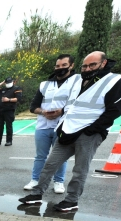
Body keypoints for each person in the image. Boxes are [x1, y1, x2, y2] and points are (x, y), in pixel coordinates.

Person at [19, 51, 121, 212]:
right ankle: (36, 195)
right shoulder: (78, 82)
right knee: (50, 164)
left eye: (92, 65)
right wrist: (62, 126)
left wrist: (92, 130)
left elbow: (114, 111)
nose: (87, 68)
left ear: (103, 63)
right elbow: (71, 106)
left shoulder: (114, 81)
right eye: (85, 65)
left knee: (79, 169)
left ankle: (71, 200)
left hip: (89, 133)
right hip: (68, 130)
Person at [24, 54, 82, 194]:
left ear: (71, 66)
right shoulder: (45, 84)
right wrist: (43, 112)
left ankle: (58, 182)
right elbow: (33, 107)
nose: (60, 68)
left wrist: (61, 111)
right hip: (43, 126)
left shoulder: (77, 81)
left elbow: (78, 103)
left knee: (60, 157)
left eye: (63, 65)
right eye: (57, 66)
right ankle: (35, 180)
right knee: (40, 156)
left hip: (62, 126)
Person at [0, 77, 22, 146]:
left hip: (9, 110)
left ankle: (9, 141)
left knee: (8, 126)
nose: (8, 84)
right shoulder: (3, 89)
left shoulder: (16, 88)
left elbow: (18, 99)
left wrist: (9, 100)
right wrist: (2, 82)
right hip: (0, 110)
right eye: (7, 83)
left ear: (12, 82)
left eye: (9, 82)